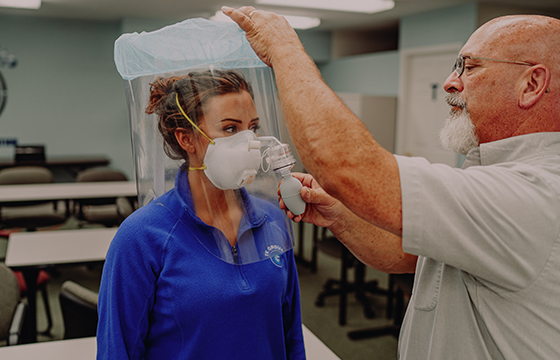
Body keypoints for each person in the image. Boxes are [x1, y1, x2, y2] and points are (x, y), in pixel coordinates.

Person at [222, 7, 560, 359]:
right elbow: (408, 255)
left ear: (531, 84)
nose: (450, 81)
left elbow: (343, 166)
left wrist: (283, 48)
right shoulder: (500, 180)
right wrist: (340, 215)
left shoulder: (534, 193)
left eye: (469, 67)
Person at [97, 69, 306, 360]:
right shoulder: (142, 237)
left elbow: (291, 334)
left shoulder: (273, 219)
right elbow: (117, 351)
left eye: (253, 127)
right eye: (231, 129)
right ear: (186, 139)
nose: (251, 143)